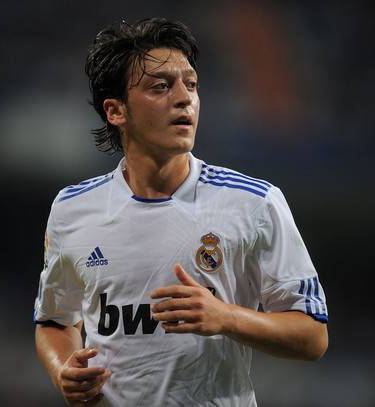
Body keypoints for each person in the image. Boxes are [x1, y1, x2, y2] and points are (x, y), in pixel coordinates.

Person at [34, 18, 328, 407]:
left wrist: (226, 317)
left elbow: (312, 336)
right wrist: (63, 371)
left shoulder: (255, 202)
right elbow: (54, 320)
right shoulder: (72, 209)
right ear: (116, 111)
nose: (183, 98)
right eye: (160, 87)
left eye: (191, 85)